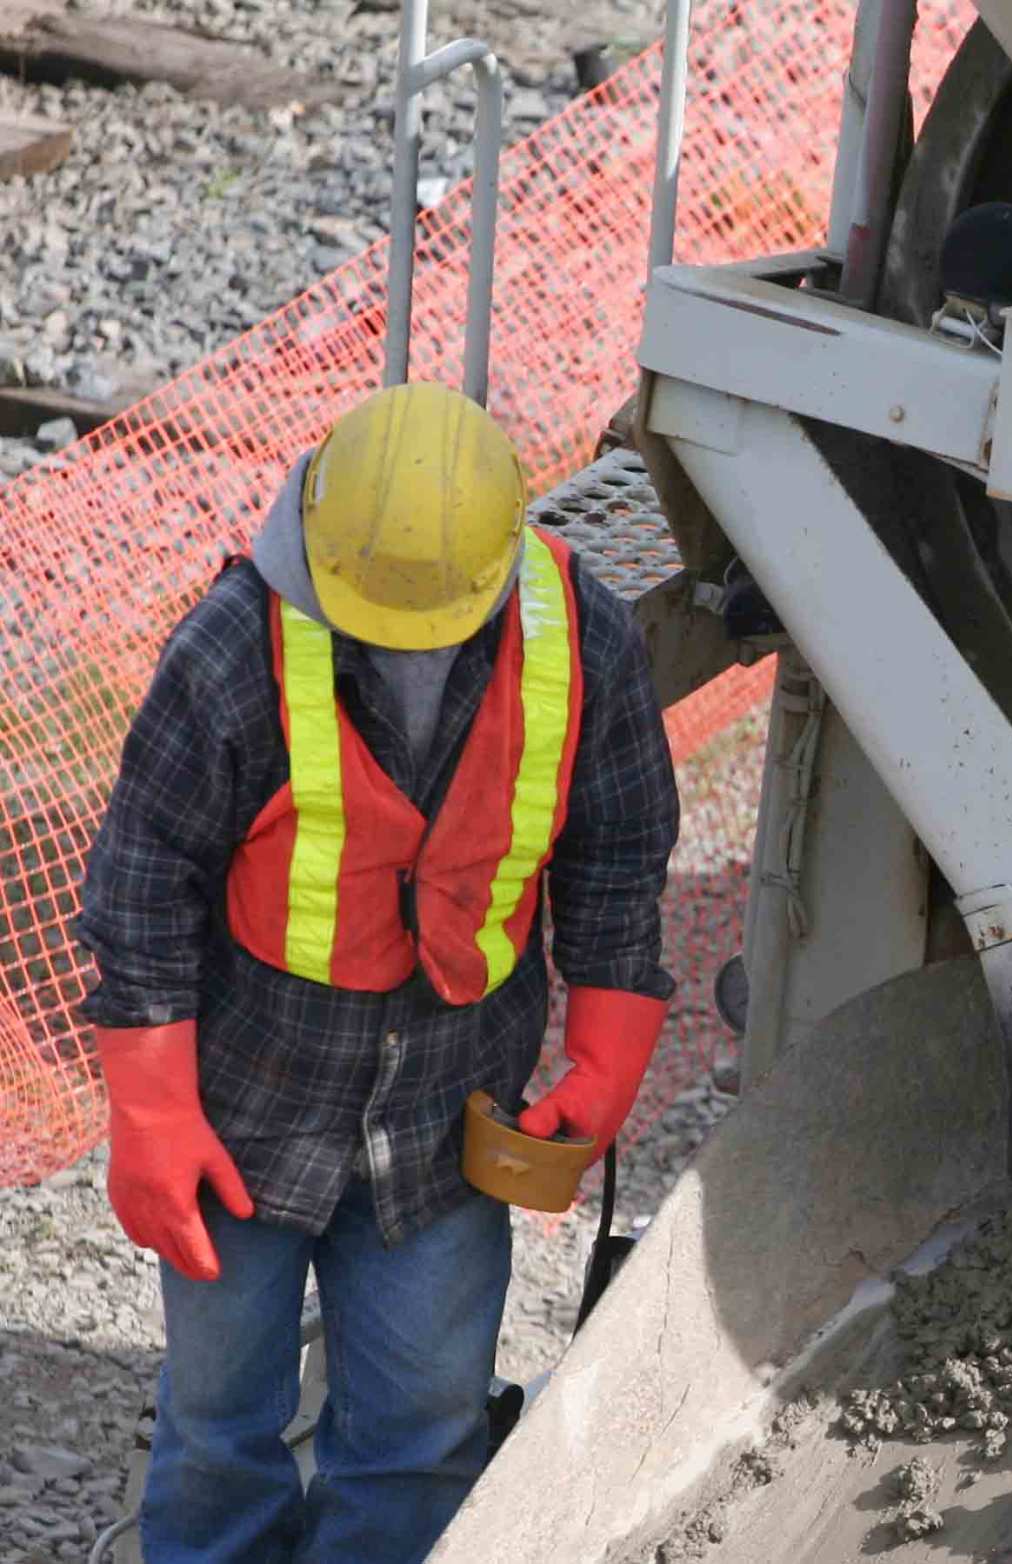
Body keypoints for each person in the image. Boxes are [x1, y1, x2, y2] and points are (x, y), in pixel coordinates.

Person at [75, 382, 680, 1564]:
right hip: (241, 1123)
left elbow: (616, 859)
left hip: (443, 1133)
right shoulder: (236, 645)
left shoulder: (582, 636)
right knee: (216, 1432)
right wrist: (149, 1110)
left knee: (419, 1436)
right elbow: (141, 878)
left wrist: (607, 1056)